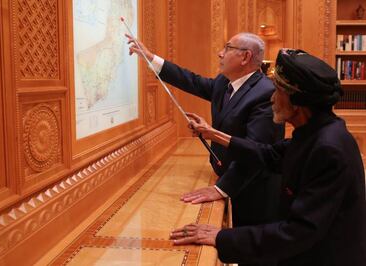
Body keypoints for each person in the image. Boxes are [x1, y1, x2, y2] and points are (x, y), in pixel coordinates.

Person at [170, 49, 366, 266]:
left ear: (297, 101)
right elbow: (271, 155)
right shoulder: (316, 132)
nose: (272, 97)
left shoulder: (328, 148)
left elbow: (299, 232)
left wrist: (220, 237)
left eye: (278, 91)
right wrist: (213, 134)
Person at [126, 33, 284, 231]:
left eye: (227, 48)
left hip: (253, 193)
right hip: (227, 176)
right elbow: (191, 81)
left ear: (245, 57)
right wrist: (151, 58)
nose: (220, 53)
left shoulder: (264, 93)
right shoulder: (223, 82)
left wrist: (221, 188)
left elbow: (257, 153)